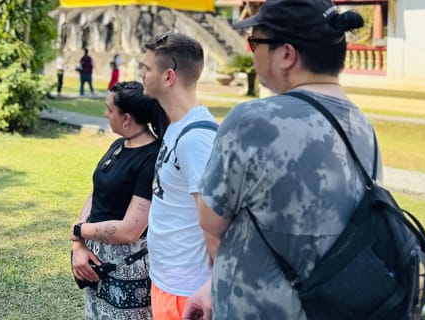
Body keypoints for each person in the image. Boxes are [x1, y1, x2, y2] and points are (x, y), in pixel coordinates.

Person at [182, 1, 369, 319]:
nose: (251, 51)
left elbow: (210, 220)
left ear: (286, 55)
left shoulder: (253, 120)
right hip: (332, 305)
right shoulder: (363, 125)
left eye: (255, 41)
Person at [70, 81, 168, 319]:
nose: (105, 114)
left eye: (109, 109)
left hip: (128, 268)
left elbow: (130, 230)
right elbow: (96, 192)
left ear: (126, 119)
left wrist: (80, 231)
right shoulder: (118, 145)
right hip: (95, 258)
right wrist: (79, 245)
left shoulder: (151, 157)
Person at [139, 32, 220, 320]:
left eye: (147, 68)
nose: (142, 74)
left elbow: (215, 224)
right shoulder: (176, 126)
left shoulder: (196, 138)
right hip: (168, 282)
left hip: (188, 291)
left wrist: (215, 286)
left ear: (168, 76)